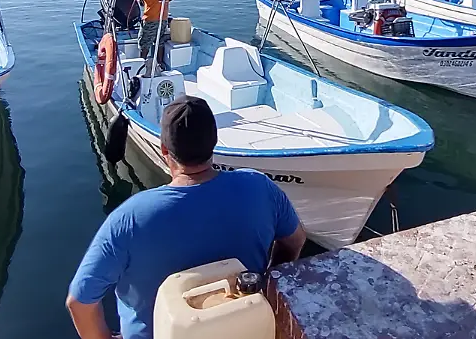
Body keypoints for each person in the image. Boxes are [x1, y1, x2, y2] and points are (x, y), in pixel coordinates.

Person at [67, 96, 306, 339]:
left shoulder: (129, 219)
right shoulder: (260, 187)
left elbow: (80, 302)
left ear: (164, 150)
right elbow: (295, 240)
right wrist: (264, 284)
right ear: (214, 142)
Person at [133, 0, 174, 65]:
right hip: (163, 18)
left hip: (150, 19)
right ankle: (159, 63)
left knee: (145, 43)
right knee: (159, 41)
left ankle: (141, 65)